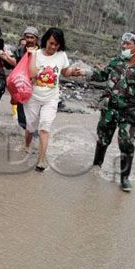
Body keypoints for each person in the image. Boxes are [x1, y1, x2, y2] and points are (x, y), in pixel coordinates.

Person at [87, 30, 135, 192]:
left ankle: (124, 178)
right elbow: (102, 75)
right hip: (109, 108)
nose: (123, 46)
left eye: (127, 44)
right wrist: (85, 73)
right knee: (103, 138)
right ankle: (96, 166)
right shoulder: (116, 62)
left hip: (128, 112)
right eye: (123, 43)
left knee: (127, 143)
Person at [24, 27, 84, 171]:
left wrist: (73, 72)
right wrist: (32, 57)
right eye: (51, 43)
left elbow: (65, 72)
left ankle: (41, 160)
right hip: (33, 96)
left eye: (56, 44)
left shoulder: (61, 55)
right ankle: (27, 144)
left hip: (51, 97)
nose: (53, 47)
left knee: (44, 127)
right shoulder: (36, 54)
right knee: (31, 126)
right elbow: (32, 74)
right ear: (45, 41)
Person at [12, 26, 41, 131]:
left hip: (37, 88)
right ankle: (24, 138)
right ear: (24, 38)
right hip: (22, 87)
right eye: (27, 37)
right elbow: (13, 66)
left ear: (36, 39)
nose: (29, 40)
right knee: (22, 115)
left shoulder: (41, 53)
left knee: (35, 115)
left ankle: (34, 138)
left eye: (32, 37)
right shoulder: (19, 51)